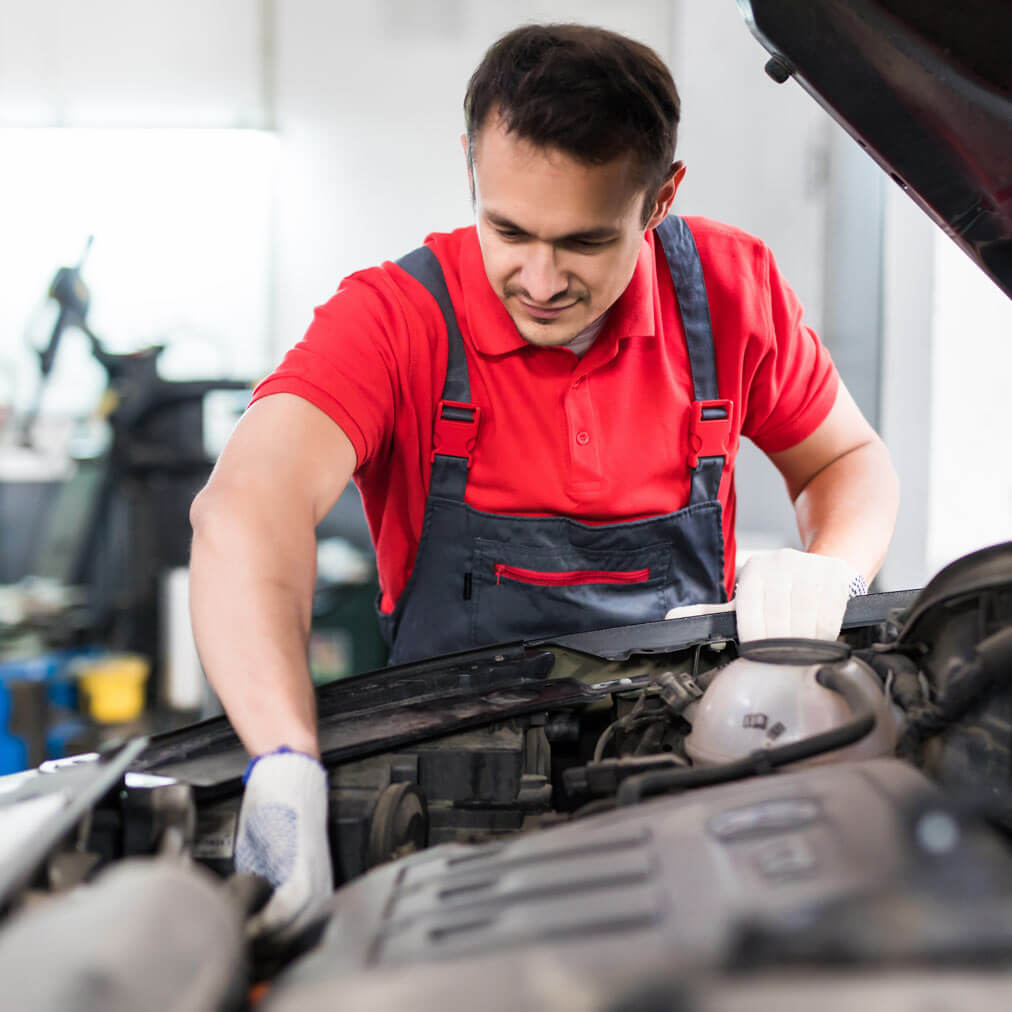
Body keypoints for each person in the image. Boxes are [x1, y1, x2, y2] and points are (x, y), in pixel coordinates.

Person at [189, 24, 898, 937]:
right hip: (445, 828)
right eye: (509, 229)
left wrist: (833, 564)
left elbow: (847, 458)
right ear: (472, 168)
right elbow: (246, 511)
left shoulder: (728, 289)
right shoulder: (396, 320)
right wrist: (284, 767)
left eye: (584, 242)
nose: (540, 278)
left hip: (689, 780)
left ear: (661, 200)